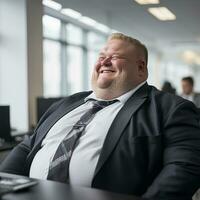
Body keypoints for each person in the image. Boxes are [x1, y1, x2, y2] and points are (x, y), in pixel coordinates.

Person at [1, 33, 200, 200]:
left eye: (114, 57)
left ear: (141, 68)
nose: (104, 61)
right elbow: (28, 146)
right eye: (101, 56)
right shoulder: (65, 104)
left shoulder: (171, 108)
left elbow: (184, 167)